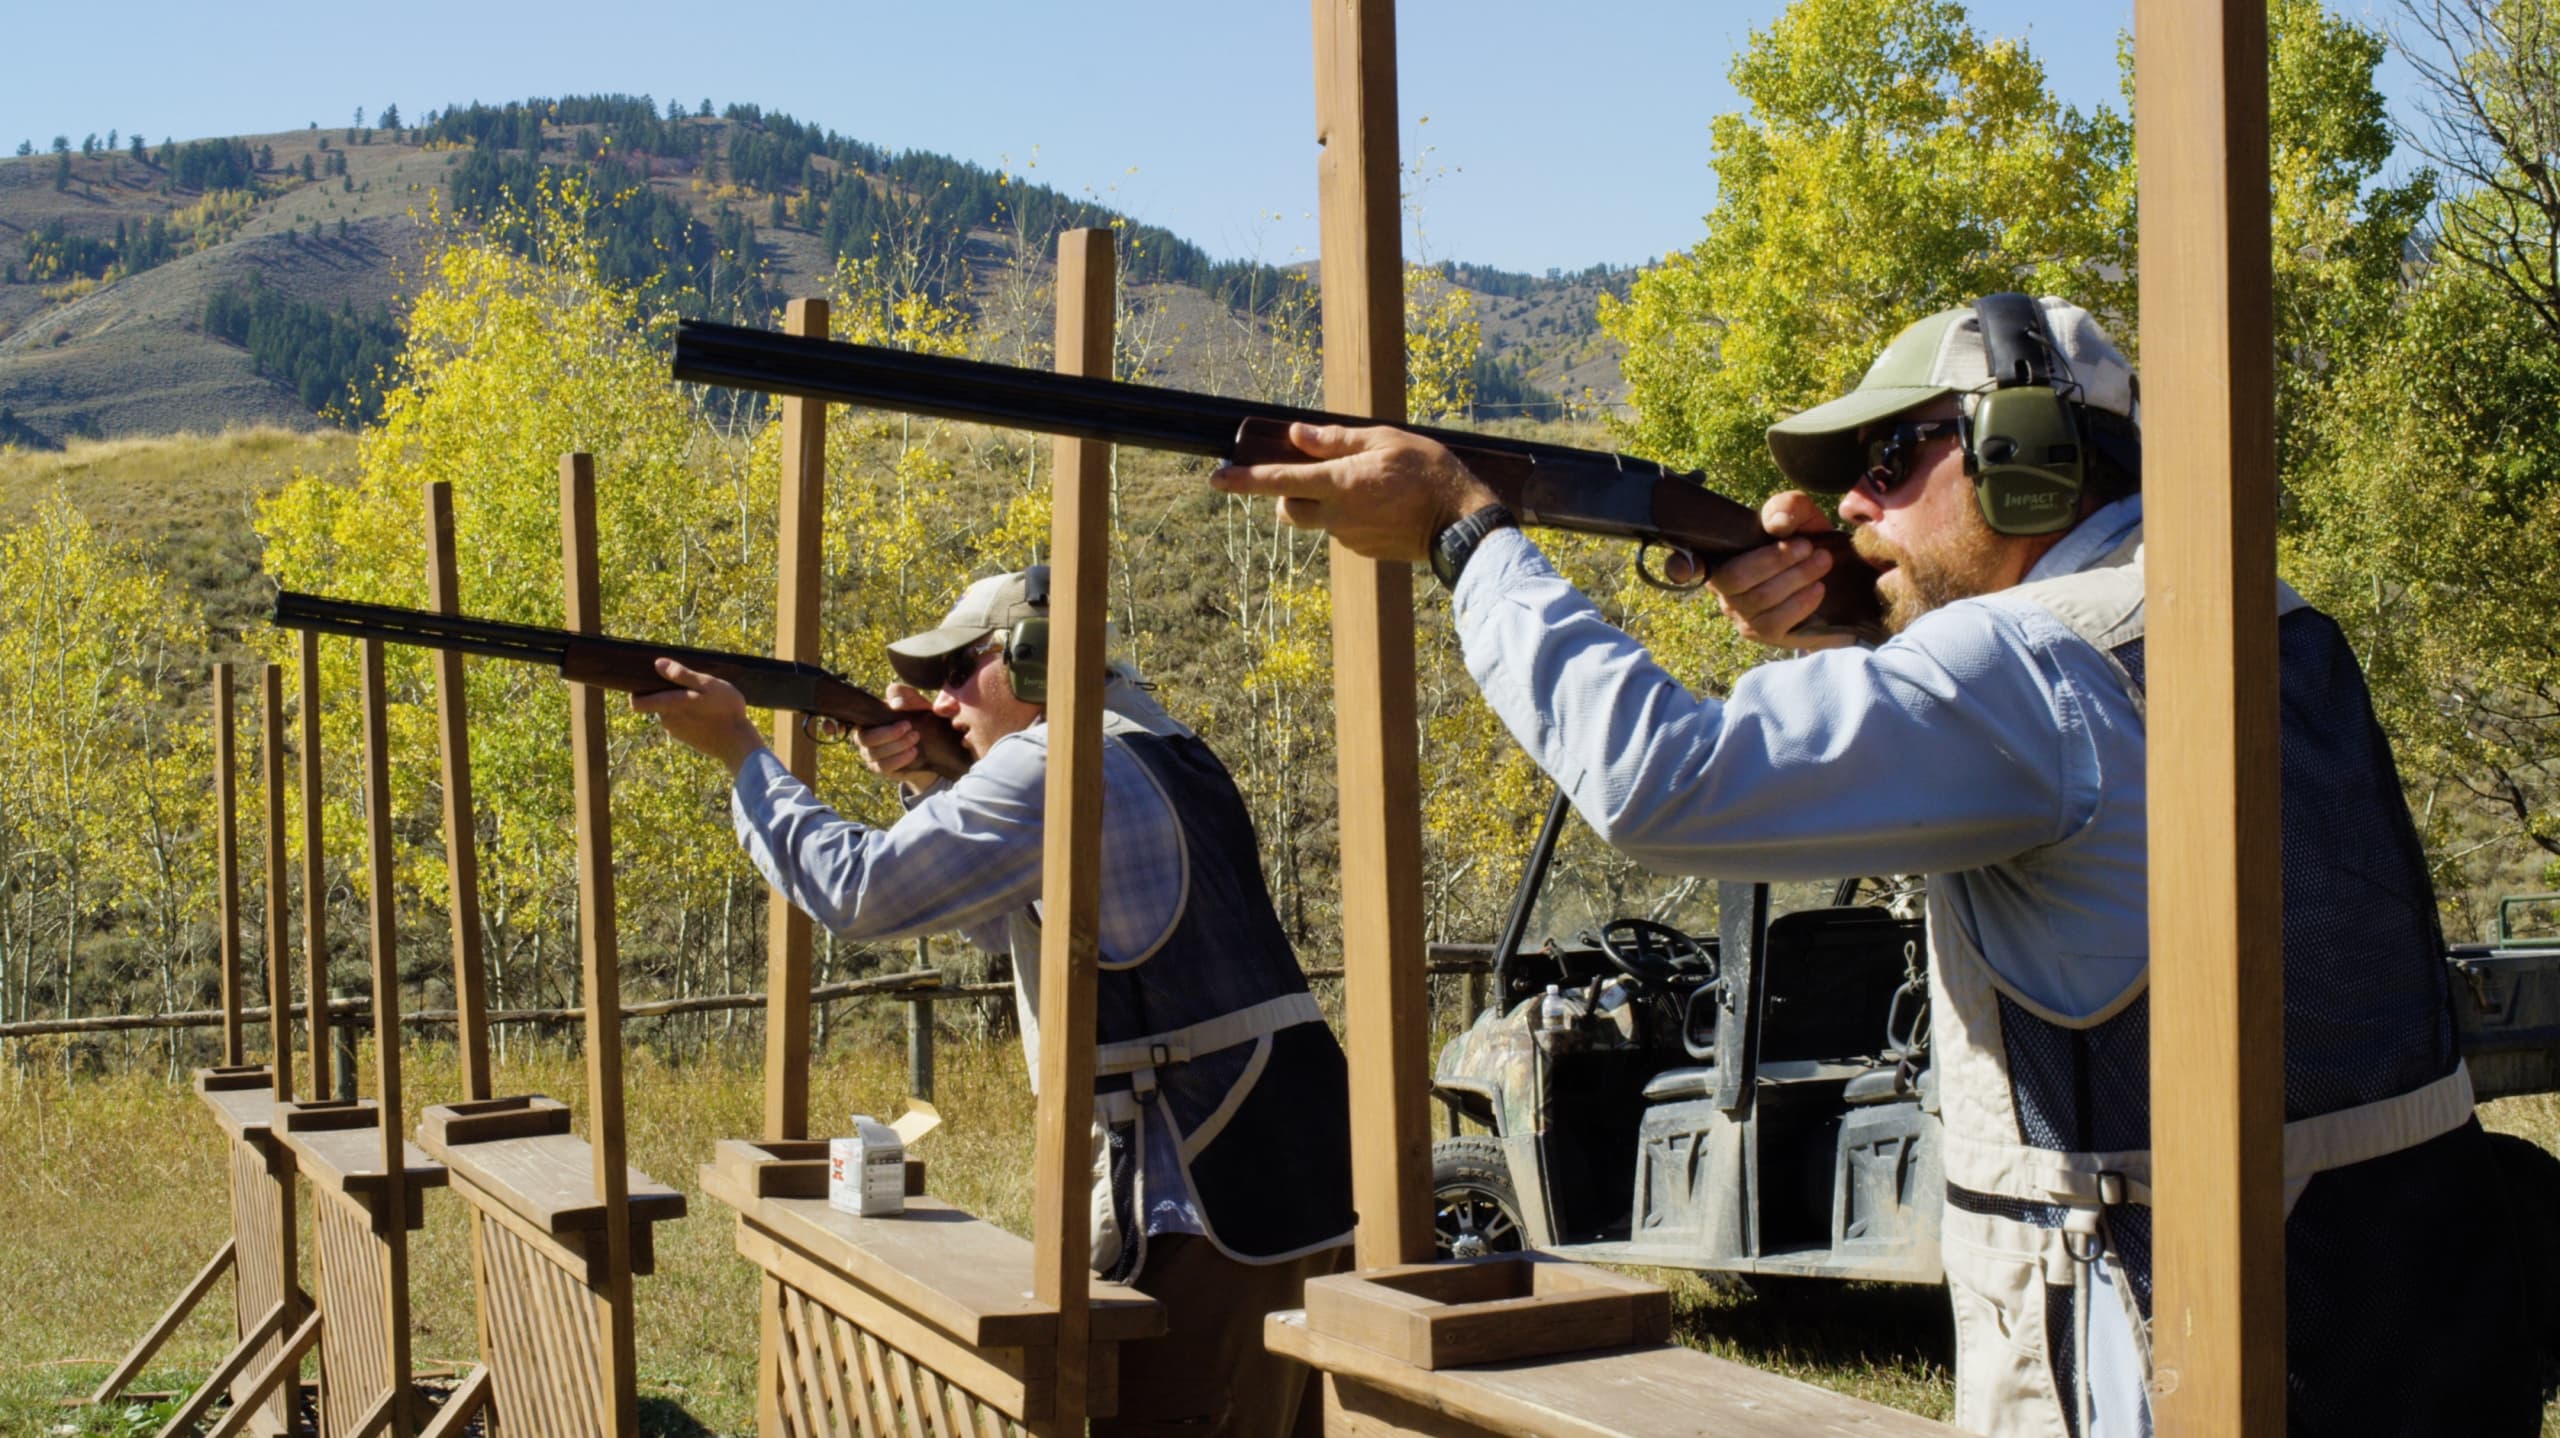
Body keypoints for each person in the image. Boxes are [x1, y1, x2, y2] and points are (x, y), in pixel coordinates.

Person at [1210, 295, 2538, 1436]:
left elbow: (1662, 781)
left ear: (2028, 457)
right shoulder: (2255, 617)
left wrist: (1466, 532)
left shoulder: (2029, 661)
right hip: (2392, 1330)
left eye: (1896, 457)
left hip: (2158, 1361)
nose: (1850, 501)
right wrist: (1870, 619)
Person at [636, 566, 1353, 1438]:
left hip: (1189, 1185)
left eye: (955, 673)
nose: (941, 698)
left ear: (1029, 658)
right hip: (1283, 1161)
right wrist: (942, 778)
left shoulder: (1053, 759)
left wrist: (744, 756)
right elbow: (1014, 921)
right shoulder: (1163, 741)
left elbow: (861, 892)